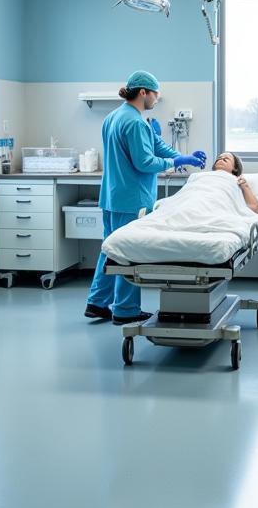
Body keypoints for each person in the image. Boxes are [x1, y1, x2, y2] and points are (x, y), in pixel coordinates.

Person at [85, 71, 206, 324]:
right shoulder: (135, 123)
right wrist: (175, 161)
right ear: (143, 92)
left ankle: (97, 302)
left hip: (111, 196)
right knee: (129, 253)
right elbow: (145, 162)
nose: (156, 100)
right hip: (132, 200)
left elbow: (154, 146)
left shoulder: (114, 117)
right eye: (155, 95)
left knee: (109, 248)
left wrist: (179, 153)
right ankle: (125, 309)